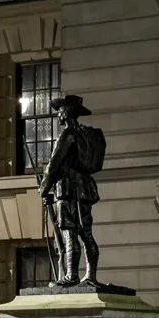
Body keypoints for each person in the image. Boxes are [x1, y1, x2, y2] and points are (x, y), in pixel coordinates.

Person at [38, 94, 100, 287]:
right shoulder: (86, 135)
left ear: (66, 112)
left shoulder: (67, 135)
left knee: (69, 233)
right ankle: (90, 275)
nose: (58, 115)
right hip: (85, 189)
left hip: (67, 189)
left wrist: (44, 188)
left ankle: (71, 275)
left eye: (60, 111)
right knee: (86, 233)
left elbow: (53, 166)